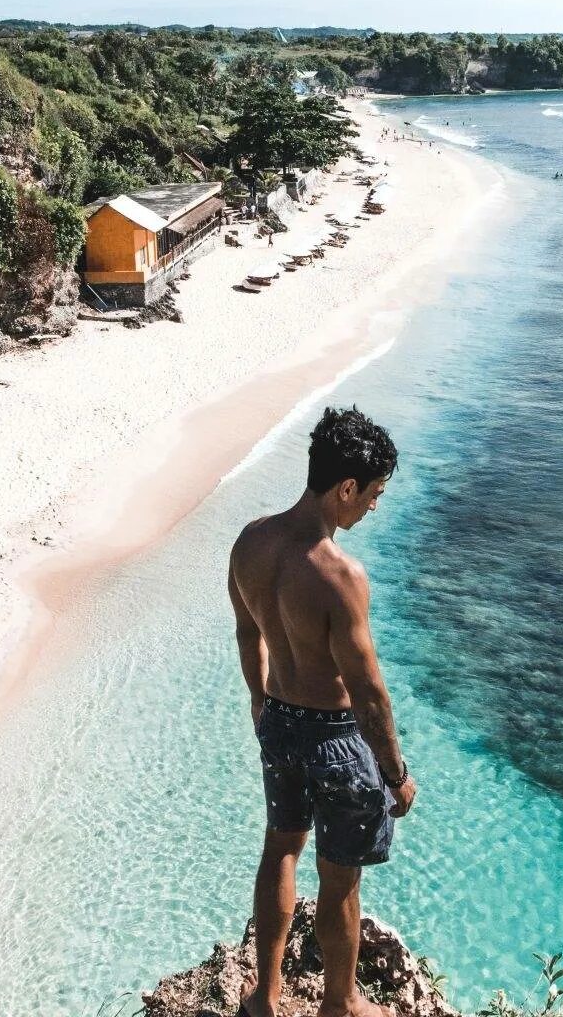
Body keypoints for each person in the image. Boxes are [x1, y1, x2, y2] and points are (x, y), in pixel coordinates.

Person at [228, 407, 416, 1017]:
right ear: (345, 487)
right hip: (336, 741)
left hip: (280, 721)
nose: (372, 508)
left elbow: (245, 633)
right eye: (373, 495)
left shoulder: (250, 541)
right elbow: (368, 694)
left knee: (280, 849)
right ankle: (340, 1003)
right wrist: (394, 772)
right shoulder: (340, 576)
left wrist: (260, 699)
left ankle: (264, 996)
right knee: (339, 879)